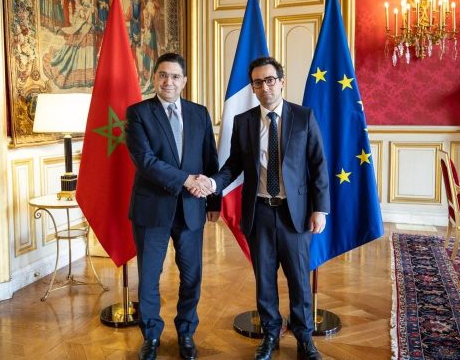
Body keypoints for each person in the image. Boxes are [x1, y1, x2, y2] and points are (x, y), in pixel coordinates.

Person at [204, 56, 330, 360]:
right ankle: (271, 334)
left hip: (294, 214)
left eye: (270, 80)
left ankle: (304, 339)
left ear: (281, 82)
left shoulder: (303, 117)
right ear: (253, 87)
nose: (265, 87)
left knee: (299, 280)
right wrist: (213, 184)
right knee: (264, 280)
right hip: (258, 212)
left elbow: (318, 164)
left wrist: (320, 209)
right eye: (258, 82)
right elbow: (234, 164)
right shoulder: (244, 121)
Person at [125, 53, 219, 360]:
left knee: (192, 277)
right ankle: (151, 336)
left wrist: (213, 201)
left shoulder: (199, 113)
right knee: (149, 278)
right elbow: (145, 161)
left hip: (191, 209)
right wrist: (186, 180)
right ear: (154, 78)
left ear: (184, 81)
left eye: (175, 76)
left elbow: (209, 158)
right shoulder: (138, 113)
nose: (169, 81)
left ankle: (186, 333)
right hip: (152, 210)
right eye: (163, 75)